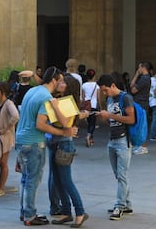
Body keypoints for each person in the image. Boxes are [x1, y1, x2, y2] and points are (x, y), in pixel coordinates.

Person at [15, 66, 78, 226]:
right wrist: (63, 132)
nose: (62, 83)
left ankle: (24, 212)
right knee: (32, 180)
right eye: (61, 80)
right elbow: (41, 124)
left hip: (21, 138)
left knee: (25, 179)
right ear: (54, 80)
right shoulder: (45, 97)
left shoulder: (33, 90)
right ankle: (29, 215)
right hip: (34, 141)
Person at [47, 75, 89, 227]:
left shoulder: (68, 102)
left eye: (63, 82)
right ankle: (65, 212)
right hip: (54, 142)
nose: (59, 83)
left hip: (64, 144)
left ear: (69, 86)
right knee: (57, 180)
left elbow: (66, 123)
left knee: (66, 181)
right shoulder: (60, 99)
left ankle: (80, 212)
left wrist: (55, 106)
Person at [96, 74, 135, 221]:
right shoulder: (110, 99)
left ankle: (119, 205)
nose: (105, 93)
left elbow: (131, 119)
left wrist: (110, 115)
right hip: (112, 140)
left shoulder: (126, 98)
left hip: (123, 141)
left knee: (122, 175)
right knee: (119, 175)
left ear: (113, 85)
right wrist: (105, 117)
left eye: (106, 90)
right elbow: (111, 121)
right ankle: (127, 204)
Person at [129, 61, 151, 155]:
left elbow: (133, 90)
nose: (138, 69)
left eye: (139, 68)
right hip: (140, 103)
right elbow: (131, 86)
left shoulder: (144, 78)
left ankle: (143, 146)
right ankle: (140, 145)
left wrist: (136, 75)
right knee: (140, 125)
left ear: (143, 67)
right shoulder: (145, 78)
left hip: (141, 104)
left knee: (142, 125)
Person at [82, 69, 100, 147]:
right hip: (93, 106)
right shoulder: (97, 86)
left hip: (86, 106)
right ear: (94, 76)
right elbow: (98, 98)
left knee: (89, 123)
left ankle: (91, 139)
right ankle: (89, 136)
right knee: (92, 123)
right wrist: (100, 107)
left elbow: (83, 97)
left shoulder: (84, 85)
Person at [149, 72, 156, 141]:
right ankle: (153, 135)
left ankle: (153, 135)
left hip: (151, 101)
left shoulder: (150, 79)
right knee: (155, 118)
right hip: (155, 101)